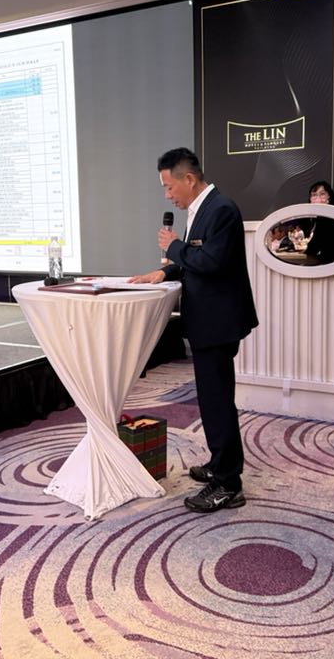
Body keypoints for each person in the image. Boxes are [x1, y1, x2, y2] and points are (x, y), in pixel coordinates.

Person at [130, 148, 258, 513]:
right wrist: (165, 271)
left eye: (169, 187)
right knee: (211, 400)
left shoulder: (221, 209)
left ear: (188, 178)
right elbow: (194, 260)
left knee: (217, 403)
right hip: (207, 323)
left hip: (218, 323)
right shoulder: (202, 209)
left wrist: (173, 247)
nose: (167, 195)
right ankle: (219, 464)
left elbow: (212, 262)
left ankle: (228, 484)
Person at [303, 181, 334, 265]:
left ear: (329, 197)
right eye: (314, 195)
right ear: (310, 199)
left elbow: (313, 247)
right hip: (330, 262)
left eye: (322, 194)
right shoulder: (316, 218)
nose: (318, 198)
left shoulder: (330, 218)